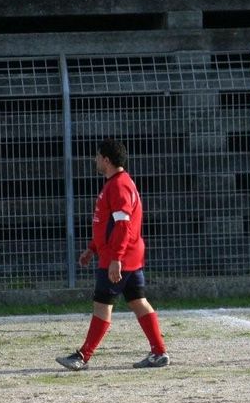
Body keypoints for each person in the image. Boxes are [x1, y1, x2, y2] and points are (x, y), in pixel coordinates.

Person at [56, 138, 170, 372]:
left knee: (102, 305)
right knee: (138, 302)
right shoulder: (119, 183)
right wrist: (93, 248)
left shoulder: (118, 186)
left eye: (98, 156)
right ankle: (159, 352)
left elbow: (122, 226)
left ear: (106, 160)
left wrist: (116, 258)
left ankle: (83, 356)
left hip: (119, 258)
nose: (95, 160)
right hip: (128, 255)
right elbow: (107, 224)